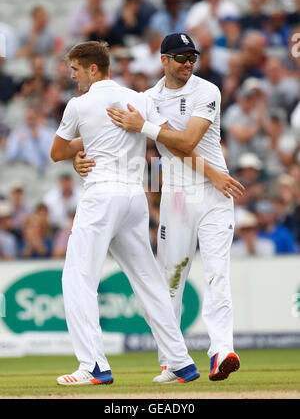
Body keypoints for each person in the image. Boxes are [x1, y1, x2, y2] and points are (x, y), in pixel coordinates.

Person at [82, 33, 244, 382]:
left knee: (218, 273)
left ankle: (222, 351)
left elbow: (186, 142)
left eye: (192, 57)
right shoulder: (147, 99)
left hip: (216, 193)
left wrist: (146, 128)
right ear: (164, 60)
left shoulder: (206, 91)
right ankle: (171, 360)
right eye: (181, 57)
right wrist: (80, 159)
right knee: (170, 281)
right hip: (178, 195)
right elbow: (103, 133)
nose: (188, 63)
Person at [50, 40, 201, 386]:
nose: (72, 76)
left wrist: (79, 150)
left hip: (101, 194)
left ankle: (93, 366)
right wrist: (96, 140)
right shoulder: (141, 98)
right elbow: (171, 137)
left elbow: (56, 151)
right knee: (149, 281)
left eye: (75, 69)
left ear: (93, 68)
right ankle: (179, 361)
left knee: (77, 278)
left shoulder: (79, 104)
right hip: (135, 196)